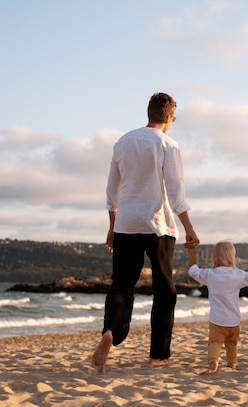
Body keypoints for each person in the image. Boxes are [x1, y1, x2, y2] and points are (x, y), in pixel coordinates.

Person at [91, 92, 200, 373]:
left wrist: (112, 225)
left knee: (122, 285)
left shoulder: (122, 142)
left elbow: (111, 188)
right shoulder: (168, 145)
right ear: (167, 117)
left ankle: (111, 332)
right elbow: (176, 193)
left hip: (126, 223)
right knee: (165, 289)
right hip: (158, 225)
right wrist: (189, 228)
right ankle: (158, 355)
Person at [187, 241, 248, 374]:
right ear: (232, 257)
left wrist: (193, 253)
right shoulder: (238, 275)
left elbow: (192, 270)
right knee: (232, 344)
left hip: (217, 320)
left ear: (214, 257)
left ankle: (213, 361)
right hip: (234, 319)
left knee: (214, 342)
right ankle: (232, 364)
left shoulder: (210, 274)